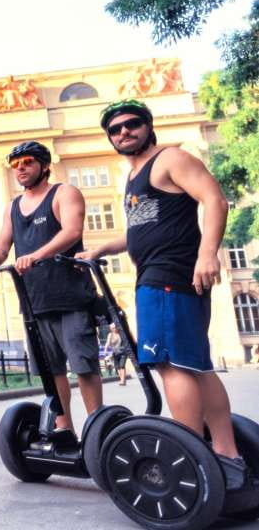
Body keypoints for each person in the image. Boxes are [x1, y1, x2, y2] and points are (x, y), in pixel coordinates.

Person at [79, 99, 251, 490]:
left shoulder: (170, 158)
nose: (124, 132)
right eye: (115, 129)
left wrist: (208, 254)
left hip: (168, 276)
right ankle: (226, 453)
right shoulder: (137, 174)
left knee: (170, 365)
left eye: (132, 124)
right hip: (163, 276)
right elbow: (140, 230)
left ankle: (188, 456)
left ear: (147, 125)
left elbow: (214, 199)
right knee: (195, 365)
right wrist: (101, 250)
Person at [0, 141, 103, 451]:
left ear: (44, 165)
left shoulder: (64, 193)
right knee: (52, 370)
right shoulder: (12, 206)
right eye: (15, 164)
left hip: (71, 295)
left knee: (84, 365)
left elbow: (72, 231)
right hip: (34, 299)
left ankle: (97, 428)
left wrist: (36, 255)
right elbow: (2, 242)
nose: (20, 168)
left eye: (28, 162)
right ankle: (65, 429)